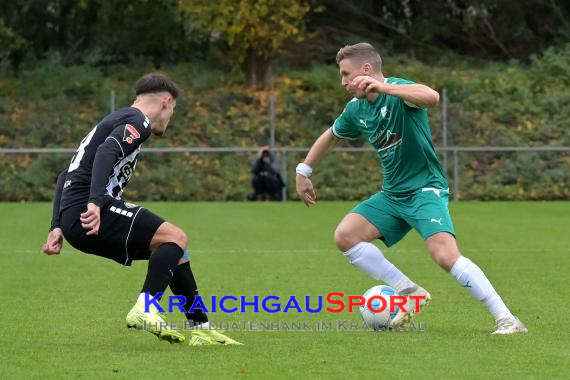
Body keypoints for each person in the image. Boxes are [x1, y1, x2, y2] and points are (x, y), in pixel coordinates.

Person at [295, 42, 527, 334]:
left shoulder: (399, 90)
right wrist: (303, 171)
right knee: (346, 235)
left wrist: (386, 89)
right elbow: (330, 135)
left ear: (366, 70)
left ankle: (507, 318)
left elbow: (431, 96)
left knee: (444, 254)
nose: (343, 82)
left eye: (346, 74)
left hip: (424, 190)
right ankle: (409, 292)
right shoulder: (355, 109)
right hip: (392, 194)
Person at [42, 73, 241, 346]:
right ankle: (146, 309)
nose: (169, 119)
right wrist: (96, 202)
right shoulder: (138, 121)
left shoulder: (116, 118)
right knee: (176, 237)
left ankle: (201, 329)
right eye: (173, 111)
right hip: (89, 211)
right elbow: (106, 152)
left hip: (75, 214)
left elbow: (66, 174)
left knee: (175, 251)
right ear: (166, 102)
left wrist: (57, 225)